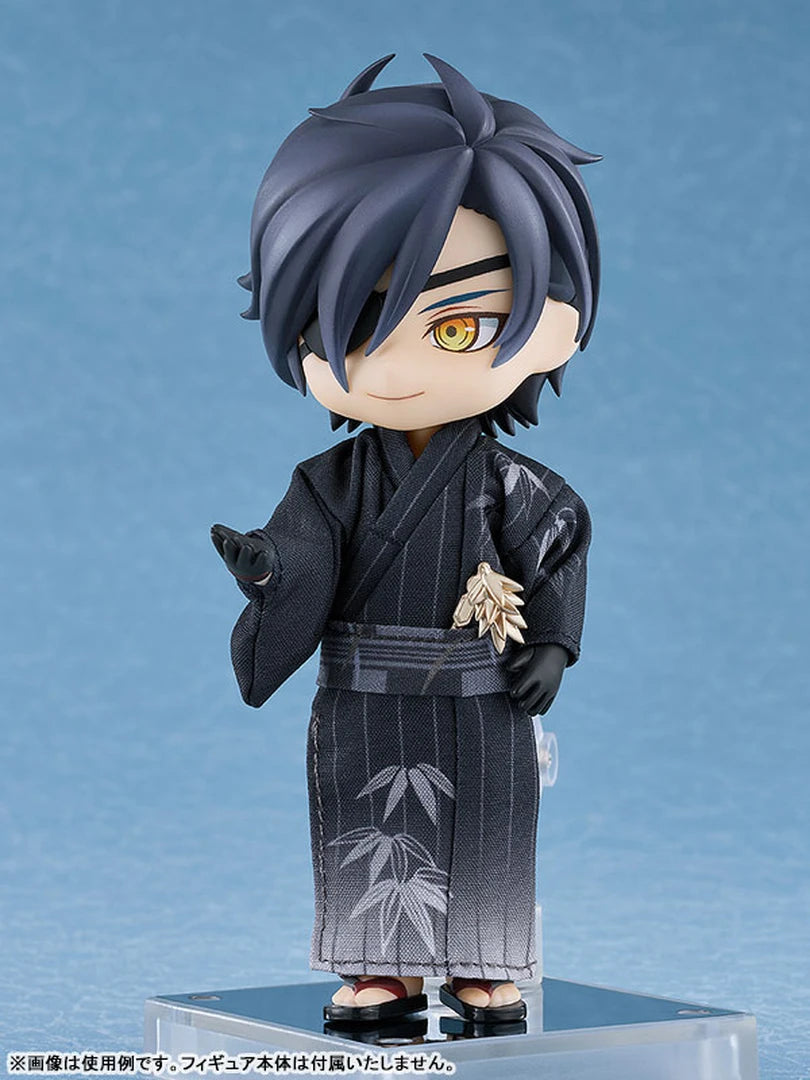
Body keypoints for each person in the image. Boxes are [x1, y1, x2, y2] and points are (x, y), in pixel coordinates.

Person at [211, 53, 600, 1026]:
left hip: (481, 696)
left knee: (488, 830)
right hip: (365, 699)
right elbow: (306, 557)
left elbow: (555, 543)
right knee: (367, 825)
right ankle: (382, 972)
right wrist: (270, 571)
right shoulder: (330, 483)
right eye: (355, 326)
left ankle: (480, 967)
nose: (393, 368)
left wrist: (552, 644)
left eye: (457, 326)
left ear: (552, 327)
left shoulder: (513, 488)